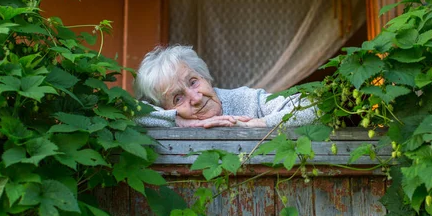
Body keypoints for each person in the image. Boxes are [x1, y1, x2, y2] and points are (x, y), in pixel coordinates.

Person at [134, 45, 317, 128]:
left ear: (205, 77)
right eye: (178, 98)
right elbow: (127, 116)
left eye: (193, 82)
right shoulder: (166, 119)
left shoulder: (246, 100)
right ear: (163, 109)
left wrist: (257, 124)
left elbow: (314, 108)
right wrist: (179, 122)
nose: (196, 98)